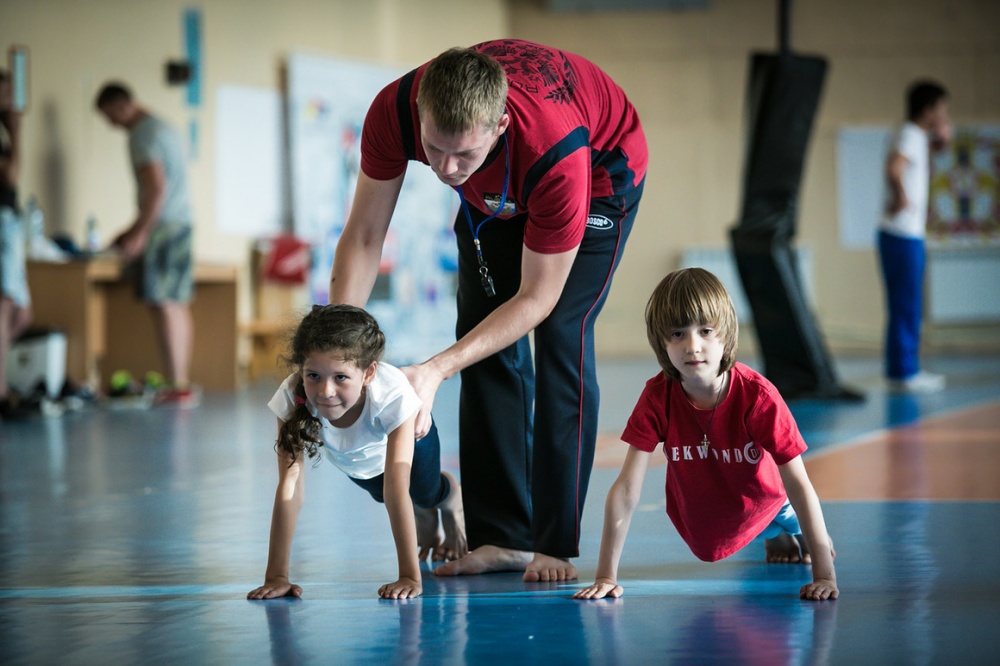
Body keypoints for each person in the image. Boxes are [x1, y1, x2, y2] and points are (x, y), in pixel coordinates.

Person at [330, 40, 647, 582]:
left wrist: (433, 369)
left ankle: (553, 542)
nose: (447, 170)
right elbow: (363, 236)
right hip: (500, 191)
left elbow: (537, 299)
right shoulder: (392, 110)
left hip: (599, 176)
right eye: (434, 150)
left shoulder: (555, 151)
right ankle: (503, 535)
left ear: (499, 125)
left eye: (464, 156)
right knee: (479, 339)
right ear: (420, 116)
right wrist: (336, 352)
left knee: (561, 336)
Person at [574, 268, 838, 602]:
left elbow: (799, 483)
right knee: (714, 536)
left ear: (726, 334)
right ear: (661, 342)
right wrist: (605, 576)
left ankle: (784, 525)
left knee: (773, 503)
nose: (692, 346)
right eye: (677, 334)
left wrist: (825, 575)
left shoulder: (758, 397)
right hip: (704, 503)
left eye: (706, 330)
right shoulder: (658, 397)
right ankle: (773, 532)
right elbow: (627, 487)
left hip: (765, 495)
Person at [247, 304, 466, 600]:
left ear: (368, 373)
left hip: (414, 441)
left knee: (421, 492)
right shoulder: (291, 397)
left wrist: (409, 576)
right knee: (382, 494)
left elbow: (396, 489)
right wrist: (276, 575)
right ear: (301, 368)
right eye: (313, 375)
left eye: (340, 377)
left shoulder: (391, 395)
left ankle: (450, 494)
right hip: (359, 462)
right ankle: (424, 514)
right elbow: (290, 488)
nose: (325, 391)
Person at [94, 82, 197, 406]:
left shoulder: (141, 134)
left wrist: (139, 232)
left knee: (163, 302)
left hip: (162, 227)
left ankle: (176, 385)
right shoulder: (164, 127)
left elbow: (155, 188)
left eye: (110, 116)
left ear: (121, 105)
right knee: (176, 303)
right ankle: (179, 383)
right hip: (182, 222)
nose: (112, 125)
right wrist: (131, 230)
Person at [878, 80, 951, 393]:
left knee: (903, 304)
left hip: (900, 235)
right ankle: (906, 373)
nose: (945, 114)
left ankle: (900, 371)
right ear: (928, 109)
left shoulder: (915, 135)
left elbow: (919, 157)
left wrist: (942, 141)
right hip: (904, 234)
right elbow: (895, 168)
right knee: (908, 304)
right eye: (942, 108)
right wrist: (902, 198)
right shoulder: (909, 134)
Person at [0, 69, 32, 419]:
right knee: (6, 305)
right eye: (4, 95)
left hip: (10, 222)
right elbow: (10, 175)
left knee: (22, 314)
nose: (9, 102)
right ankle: (1, 392)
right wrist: (18, 133)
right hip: (1, 221)